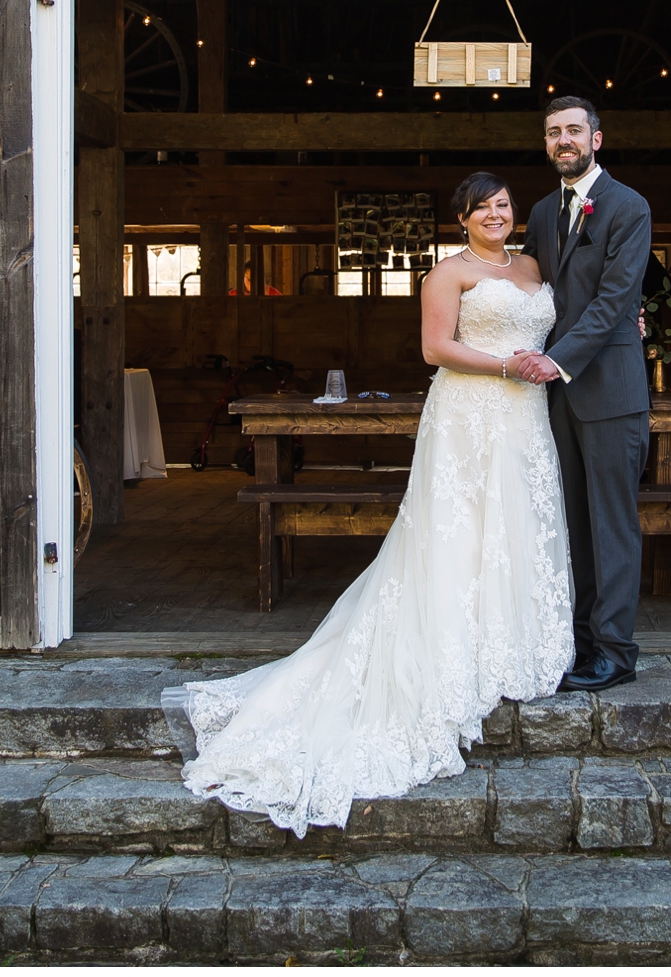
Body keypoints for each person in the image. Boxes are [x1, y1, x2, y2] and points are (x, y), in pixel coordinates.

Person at [175, 173, 573, 837]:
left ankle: (516, 639)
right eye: (481, 208)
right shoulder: (448, 274)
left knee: (519, 522)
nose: (495, 215)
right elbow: (434, 348)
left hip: (528, 418)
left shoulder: (534, 266)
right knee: (460, 528)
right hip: (473, 410)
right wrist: (508, 365)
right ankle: (452, 648)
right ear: (462, 219)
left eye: (502, 205)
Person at [514, 95, 652, 693]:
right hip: (556, 400)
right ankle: (578, 641)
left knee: (612, 523)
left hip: (611, 391)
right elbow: (527, 287)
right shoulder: (543, 212)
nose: (562, 140)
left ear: (597, 138)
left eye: (574, 130)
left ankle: (616, 652)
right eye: (553, 133)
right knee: (569, 521)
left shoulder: (628, 207)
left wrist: (554, 360)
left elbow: (615, 301)